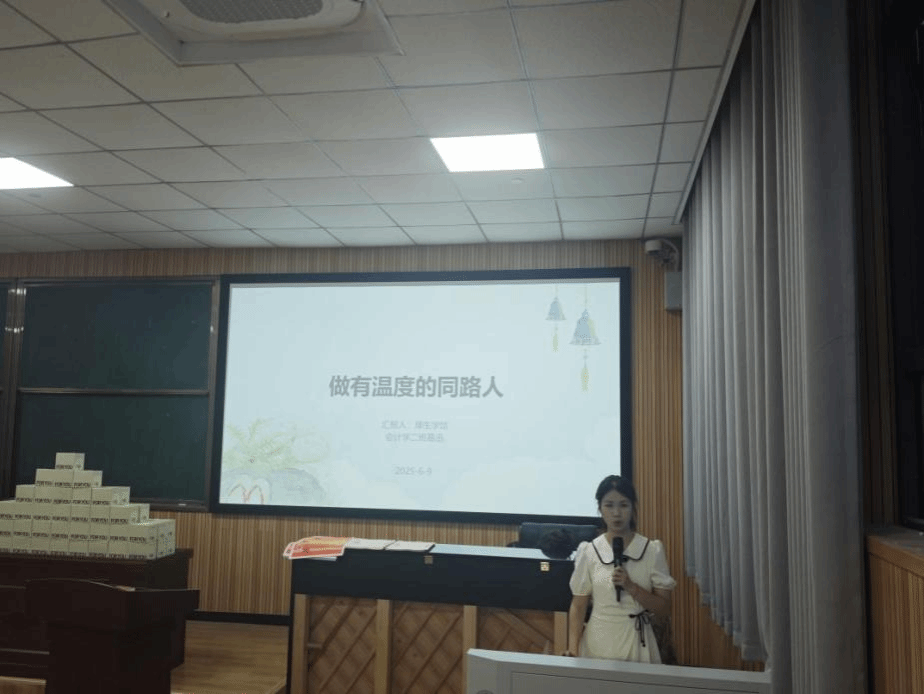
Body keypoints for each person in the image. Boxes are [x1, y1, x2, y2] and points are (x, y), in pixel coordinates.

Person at [564, 474, 676, 663]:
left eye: (623, 505)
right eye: (609, 505)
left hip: (638, 643)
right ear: (600, 508)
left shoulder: (651, 550)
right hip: (598, 642)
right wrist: (573, 651)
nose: (616, 513)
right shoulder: (590, 551)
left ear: (633, 508)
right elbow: (578, 605)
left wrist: (632, 587)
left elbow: (664, 609)